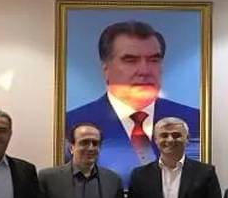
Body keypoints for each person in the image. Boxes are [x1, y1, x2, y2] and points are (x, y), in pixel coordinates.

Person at [64, 20, 200, 183]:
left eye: (153, 60)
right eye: (131, 60)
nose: (144, 71)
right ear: (106, 69)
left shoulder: (194, 120)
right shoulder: (71, 123)